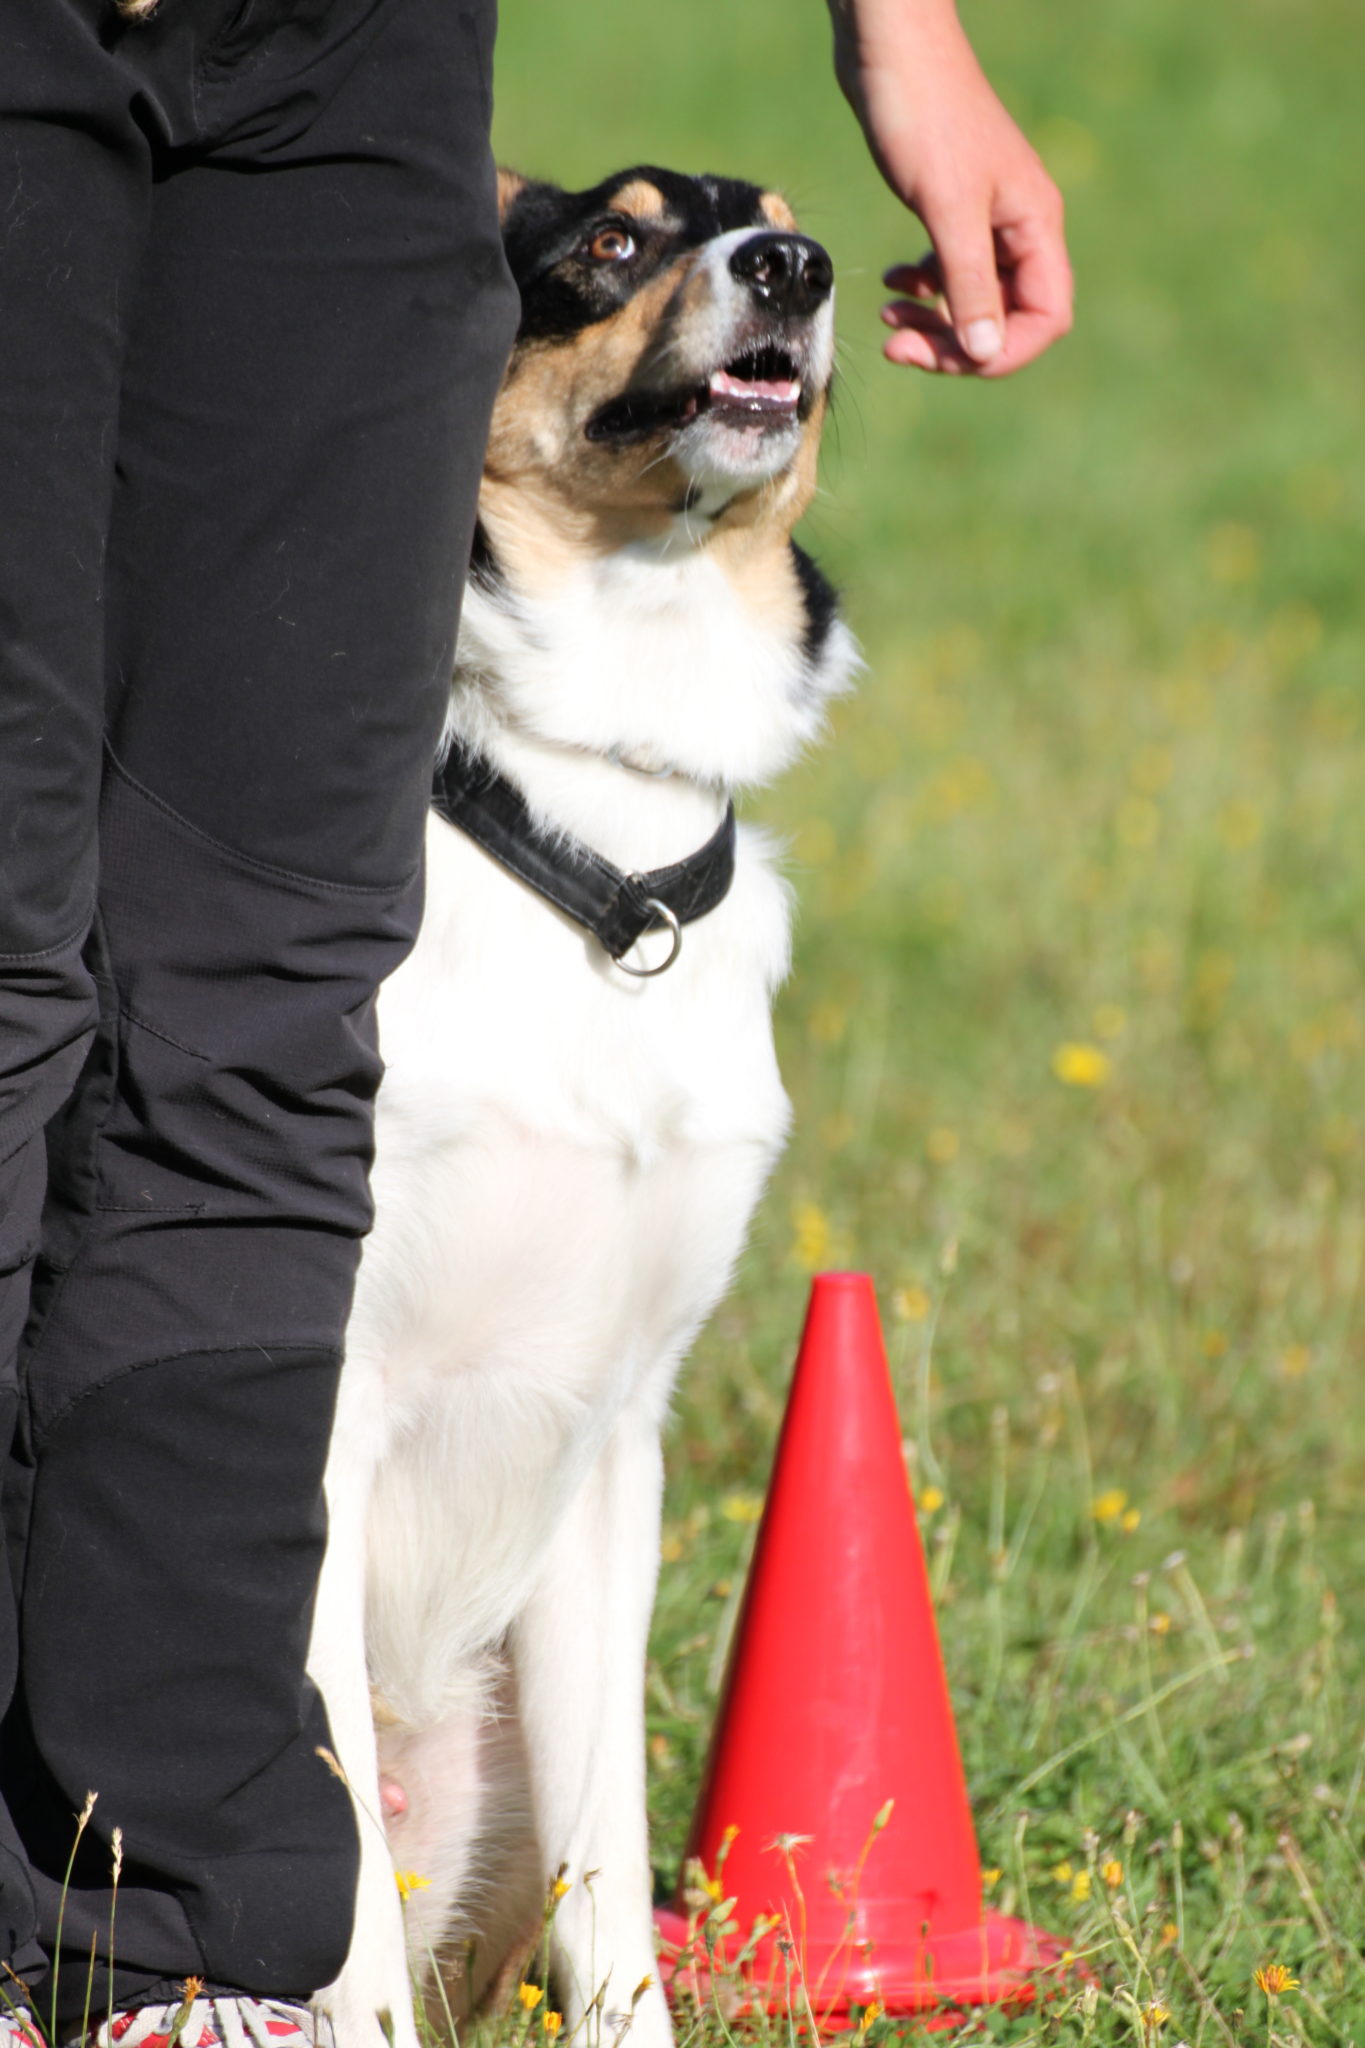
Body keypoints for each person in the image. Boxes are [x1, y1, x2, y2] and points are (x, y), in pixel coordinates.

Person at [0, 2, 1070, 2044]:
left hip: (349, 58)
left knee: (250, 1085)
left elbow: (590, 1455)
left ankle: (243, 1967)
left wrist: (901, 36)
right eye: (615, 264)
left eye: (765, 260)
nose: (746, 277)